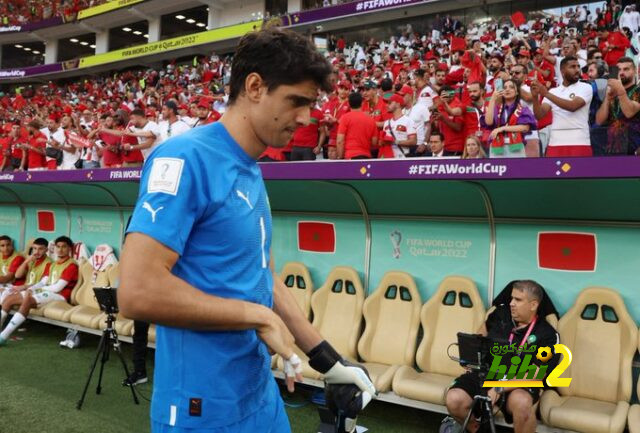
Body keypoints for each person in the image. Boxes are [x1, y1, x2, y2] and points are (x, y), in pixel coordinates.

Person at [118, 28, 376, 433]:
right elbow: (137, 292)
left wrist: (327, 359)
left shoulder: (252, 167)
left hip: (259, 395)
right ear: (255, 86)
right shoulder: (185, 158)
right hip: (203, 409)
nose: (307, 118)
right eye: (297, 101)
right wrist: (255, 317)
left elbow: (263, 276)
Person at [445, 280, 560, 433]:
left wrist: (499, 388)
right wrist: (472, 357)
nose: (511, 303)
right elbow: (480, 335)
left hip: (518, 382)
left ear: (533, 305)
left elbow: (537, 374)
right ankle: (478, 430)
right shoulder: (500, 315)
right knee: (454, 399)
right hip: (488, 374)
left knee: (522, 403)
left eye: (518, 300)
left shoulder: (547, 335)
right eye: (511, 298)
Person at [0, 236, 78, 345]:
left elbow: (57, 288)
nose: (60, 250)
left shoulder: (72, 265)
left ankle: (3, 337)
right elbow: (42, 282)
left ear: (70, 249)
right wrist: (31, 289)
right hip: (46, 291)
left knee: (28, 300)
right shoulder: (52, 264)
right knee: (9, 299)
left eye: (64, 247)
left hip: (60, 295)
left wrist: (33, 291)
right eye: (58, 246)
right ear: (54, 248)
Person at [531, 56, 593, 157]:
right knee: (552, 172)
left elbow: (573, 106)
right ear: (562, 71)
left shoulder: (586, 87)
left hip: (579, 140)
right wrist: (534, 97)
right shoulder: (554, 91)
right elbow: (539, 115)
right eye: (572, 67)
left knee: (581, 173)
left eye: (578, 66)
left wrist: (546, 94)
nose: (577, 70)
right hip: (556, 141)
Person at [595, 56, 640, 155]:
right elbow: (599, 121)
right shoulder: (612, 93)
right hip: (612, 147)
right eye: (619, 69)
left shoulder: (638, 90)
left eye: (626, 69)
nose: (622, 72)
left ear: (635, 71)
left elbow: (629, 112)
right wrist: (607, 97)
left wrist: (620, 90)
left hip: (634, 147)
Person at [482, 79, 536, 158]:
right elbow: (488, 122)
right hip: (496, 147)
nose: (507, 89)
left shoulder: (523, 109)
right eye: (505, 87)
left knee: (517, 170)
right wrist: (493, 99)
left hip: (516, 148)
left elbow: (525, 128)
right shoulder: (496, 108)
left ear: (517, 92)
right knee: (498, 170)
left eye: (511, 87)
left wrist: (502, 128)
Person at [336, 92, 378, 159]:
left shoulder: (345, 118)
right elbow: (374, 142)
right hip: (366, 156)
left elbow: (340, 141)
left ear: (349, 104)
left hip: (350, 156)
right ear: (362, 103)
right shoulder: (371, 119)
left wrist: (340, 157)